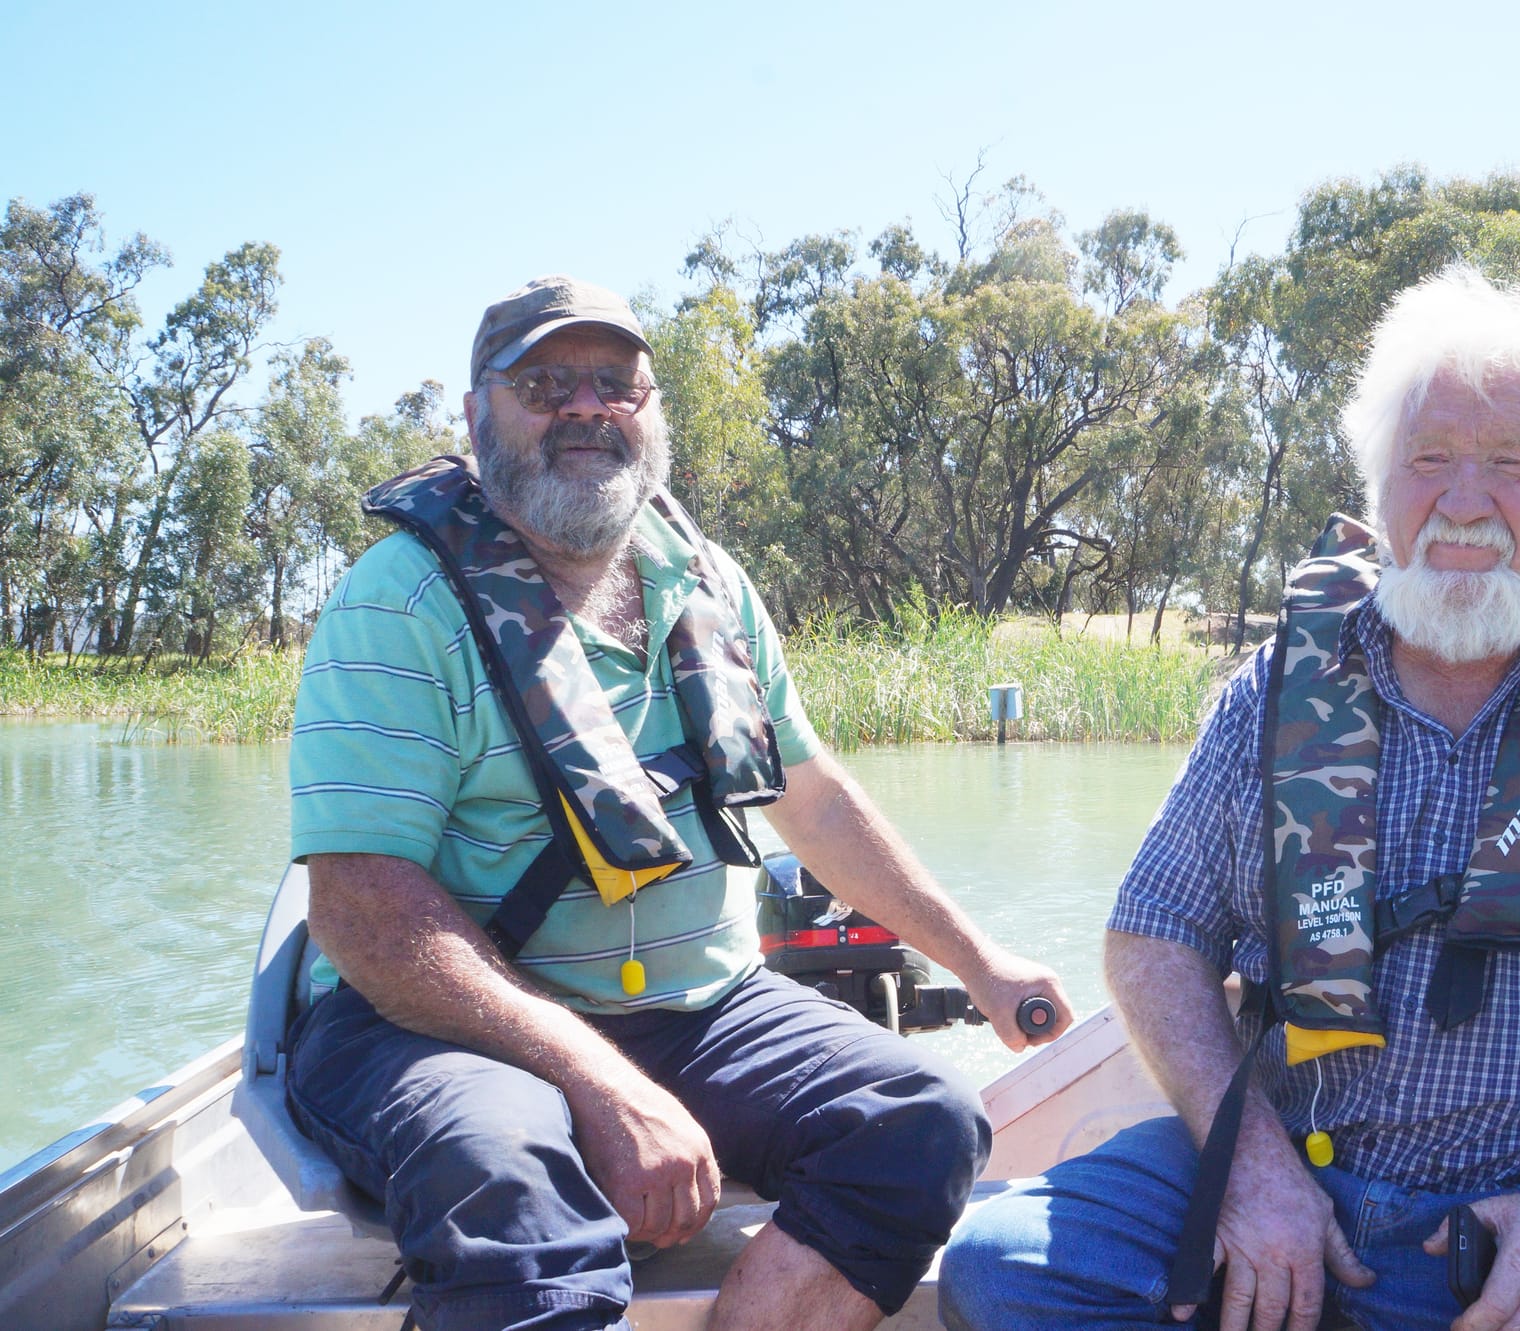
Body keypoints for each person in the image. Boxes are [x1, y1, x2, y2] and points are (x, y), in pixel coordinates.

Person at [939, 267, 1520, 1331]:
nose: (1463, 501)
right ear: (1380, 489)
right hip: (1292, 1176)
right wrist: (1250, 1170)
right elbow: (1153, 939)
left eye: (1512, 466)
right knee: (1002, 1263)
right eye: (1428, 460)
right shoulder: (1273, 688)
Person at [285, 274, 1075, 1331]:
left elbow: (815, 799)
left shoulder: (708, 583)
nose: (586, 406)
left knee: (921, 1120)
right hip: (446, 1028)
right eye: (544, 382)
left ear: (651, 414)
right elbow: (362, 909)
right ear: (477, 415)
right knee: (511, 1177)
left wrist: (979, 961)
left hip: (698, 1009)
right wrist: (602, 1086)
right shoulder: (397, 600)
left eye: (617, 383)